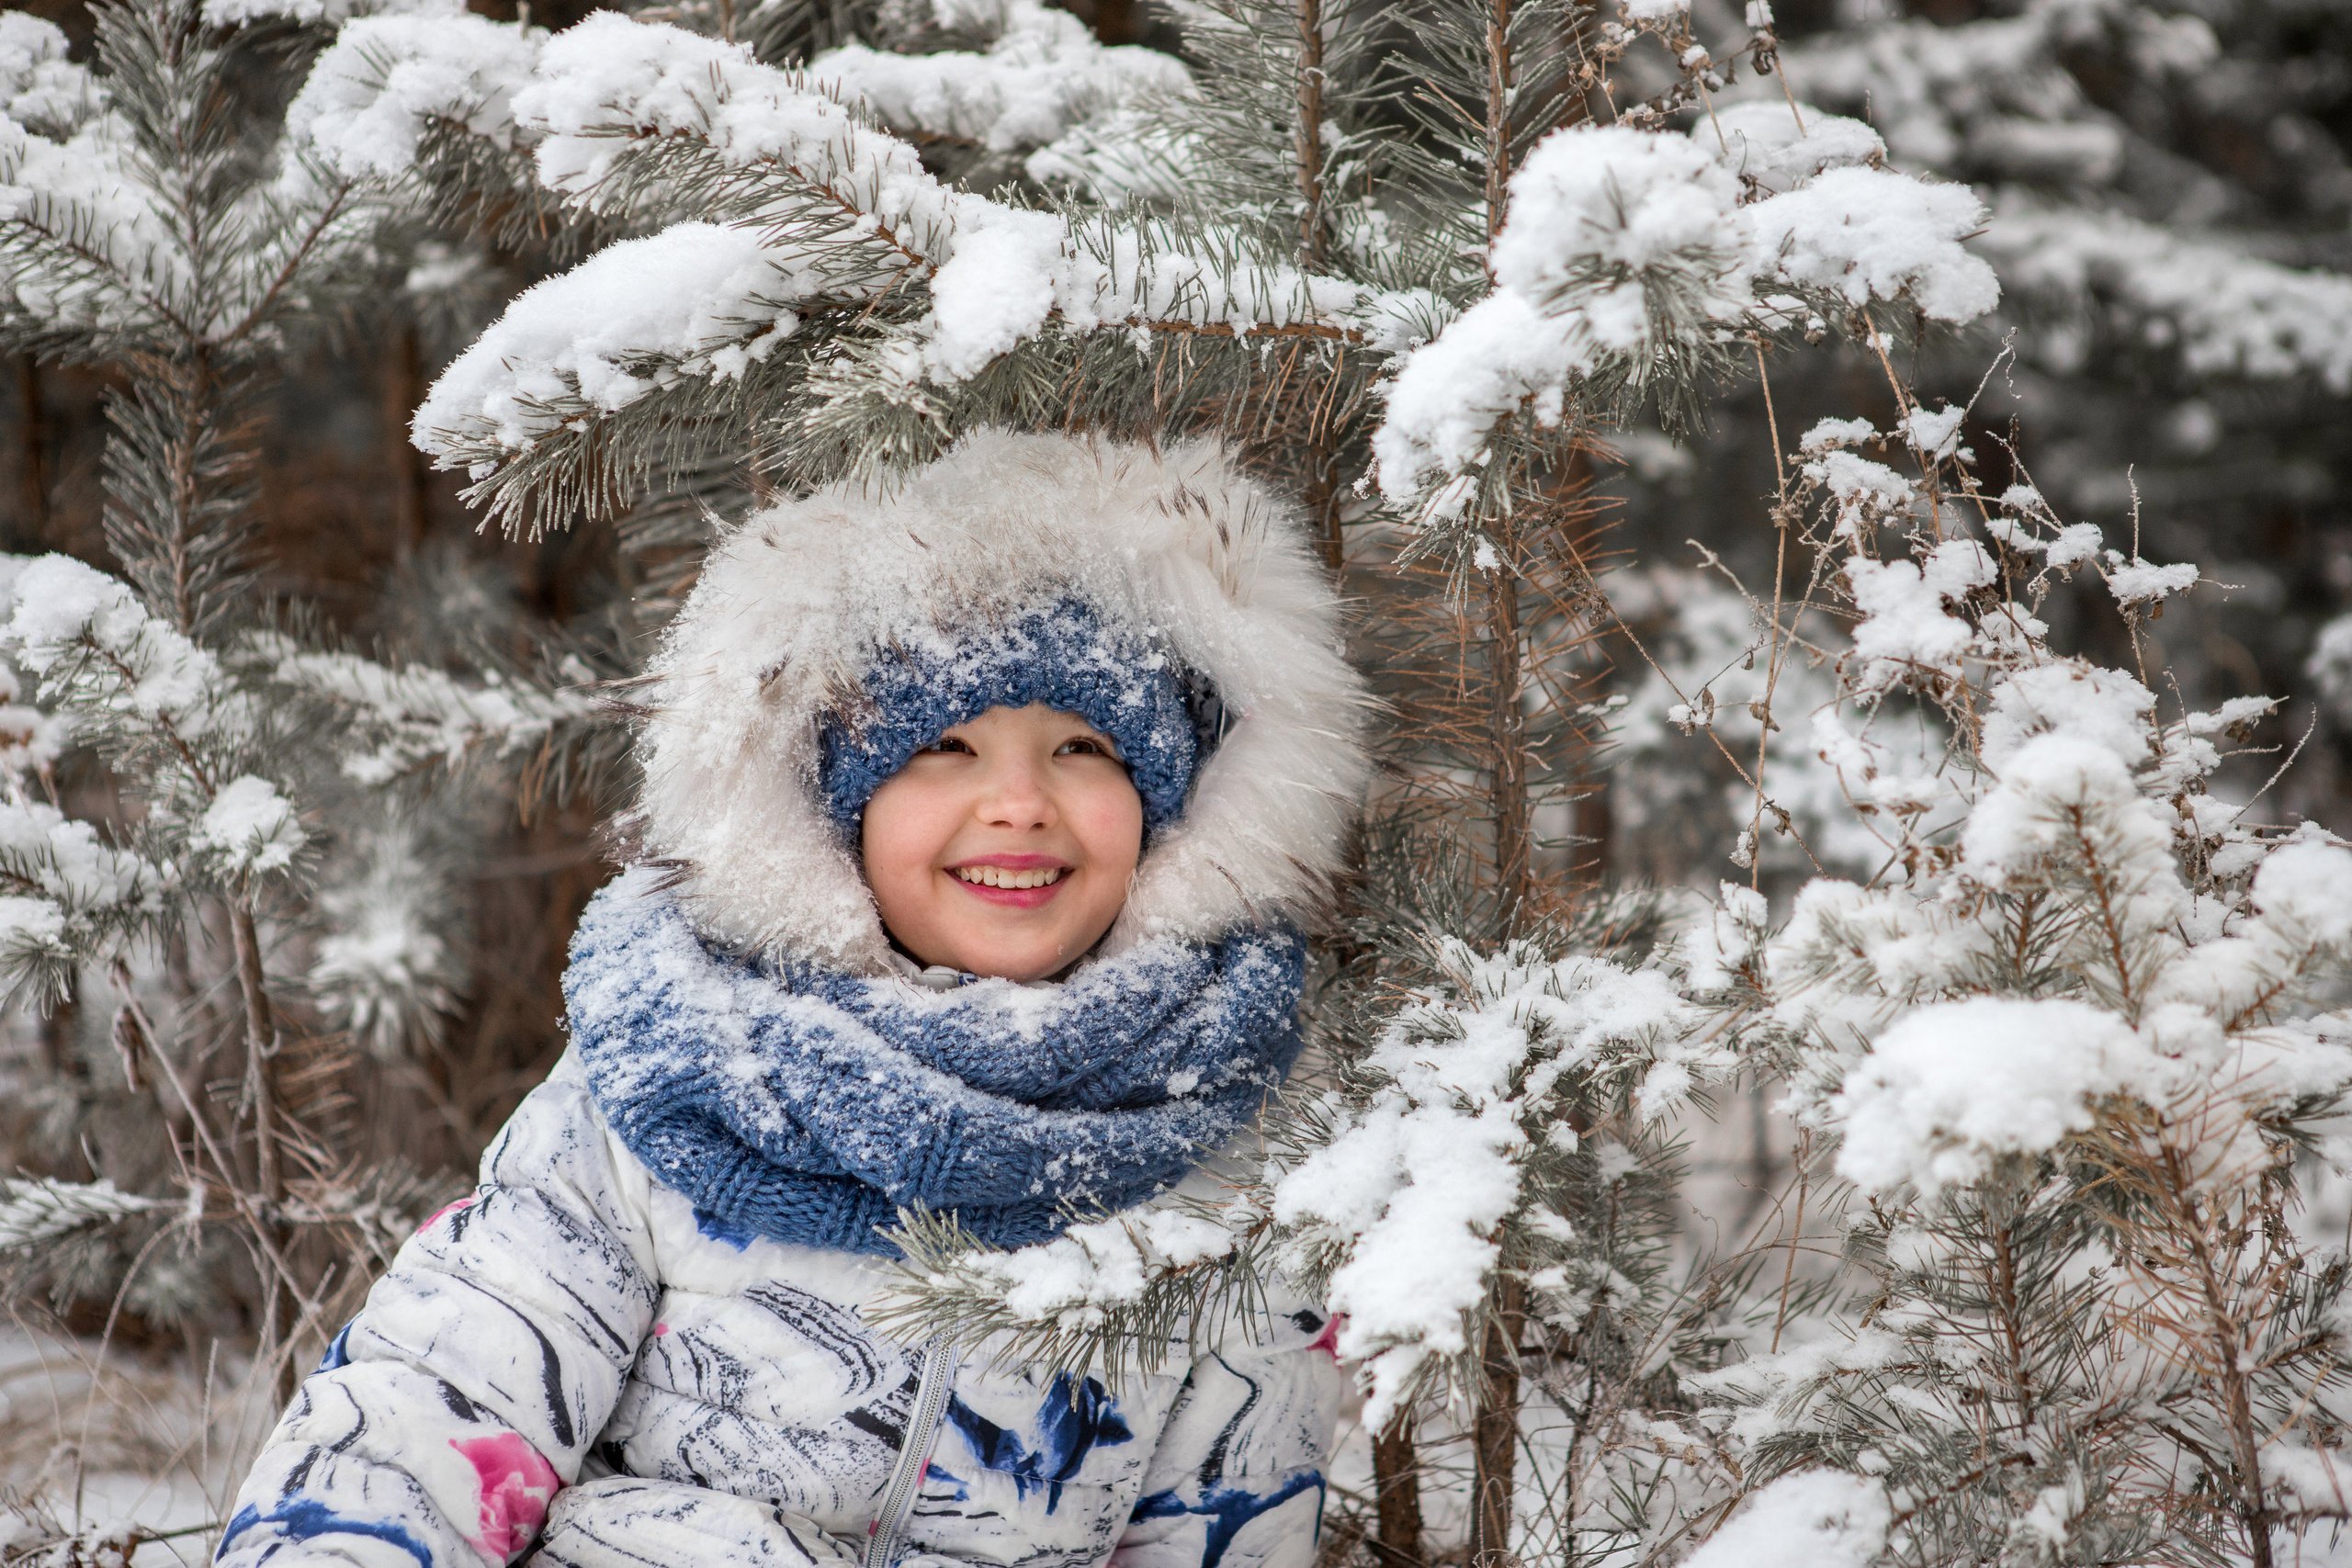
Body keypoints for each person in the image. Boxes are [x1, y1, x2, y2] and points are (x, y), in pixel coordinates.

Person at [214, 432, 1374, 1568]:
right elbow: (437, 1402)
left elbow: (1232, 1519)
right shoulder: (691, 1064)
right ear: (834, 808)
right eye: (944, 747)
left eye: (1084, 748)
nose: (1020, 803)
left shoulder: (1224, 1139)